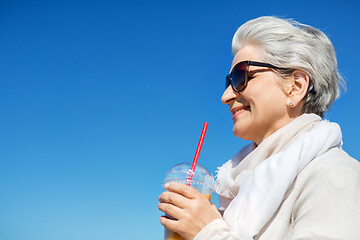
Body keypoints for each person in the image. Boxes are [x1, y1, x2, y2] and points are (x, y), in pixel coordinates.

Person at [158, 16, 360, 240]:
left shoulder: (334, 174)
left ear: (295, 87)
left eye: (240, 76)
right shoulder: (238, 192)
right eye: (229, 82)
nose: (226, 96)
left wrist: (209, 232)